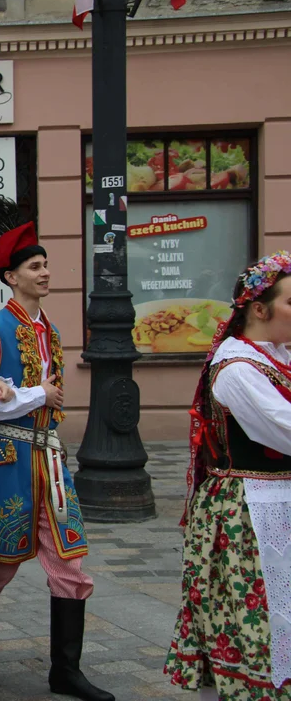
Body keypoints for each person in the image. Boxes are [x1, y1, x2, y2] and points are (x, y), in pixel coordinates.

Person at [0, 193, 111, 701]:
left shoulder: (49, 328)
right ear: (12, 276)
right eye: (35, 266)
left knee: (70, 564)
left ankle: (65, 671)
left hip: (51, 459)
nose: (45, 273)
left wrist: (27, 396)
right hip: (7, 460)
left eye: (46, 265)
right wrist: (32, 394)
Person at [165, 252, 291, 700]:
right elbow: (285, 428)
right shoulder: (238, 369)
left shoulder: (276, 357)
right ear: (259, 309)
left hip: (274, 503)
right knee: (247, 613)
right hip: (247, 509)